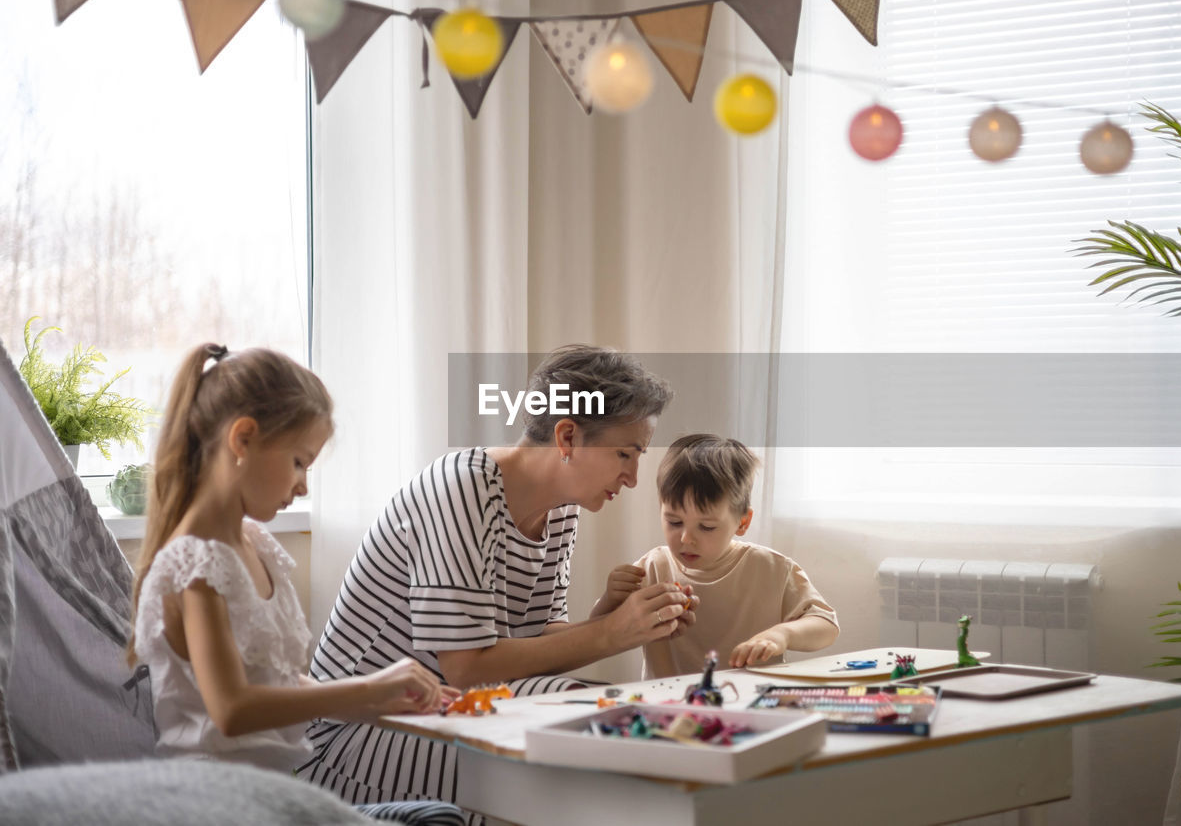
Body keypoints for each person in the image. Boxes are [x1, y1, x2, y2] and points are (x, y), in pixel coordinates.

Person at [299, 345, 691, 814]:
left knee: (603, 713)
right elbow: (467, 666)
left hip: (446, 709)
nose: (632, 477)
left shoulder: (562, 509)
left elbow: (535, 642)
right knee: (584, 720)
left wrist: (624, 618)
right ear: (567, 437)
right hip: (356, 736)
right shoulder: (461, 491)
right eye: (625, 453)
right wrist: (612, 632)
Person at [129, 344, 463, 825]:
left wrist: (377, 704)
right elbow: (232, 709)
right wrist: (367, 687)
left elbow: (274, 681)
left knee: (437, 815)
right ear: (243, 440)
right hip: (215, 808)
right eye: (299, 462)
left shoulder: (255, 545)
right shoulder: (194, 564)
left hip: (272, 797)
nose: (304, 486)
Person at [593, 433, 838, 678]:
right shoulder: (653, 568)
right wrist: (610, 598)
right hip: (668, 707)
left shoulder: (772, 569)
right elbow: (596, 633)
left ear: (742, 523)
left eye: (707, 527)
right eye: (674, 521)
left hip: (752, 704)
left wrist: (782, 635)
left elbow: (826, 625)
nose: (686, 538)